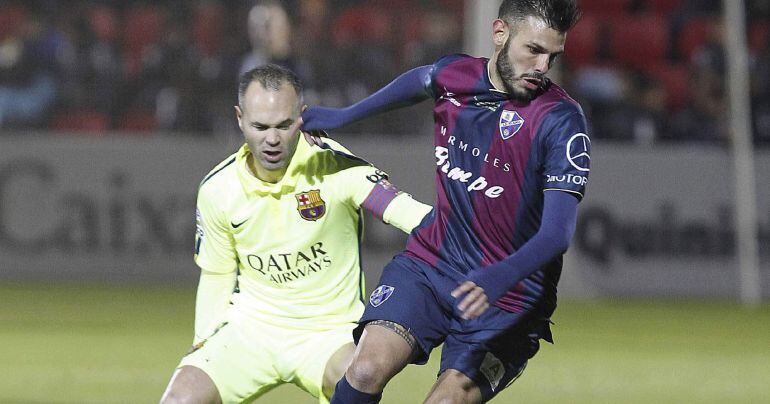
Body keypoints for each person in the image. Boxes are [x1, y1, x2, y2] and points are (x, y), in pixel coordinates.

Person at [301, 1, 589, 402]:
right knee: (364, 369)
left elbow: (557, 233)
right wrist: (343, 116)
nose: (542, 66)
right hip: (433, 264)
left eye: (552, 56)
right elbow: (420, 81)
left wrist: (498, 277)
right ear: (500, 33)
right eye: (534, 50)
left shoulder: (561, 120)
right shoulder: (457, 75)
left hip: (510, 298)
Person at [160, 64, 432, 404]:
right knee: (180, 400)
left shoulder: (335, 166)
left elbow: (411, 215)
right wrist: (203, 342)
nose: (272, 138)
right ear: (239, 118)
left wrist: (484, 237)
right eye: (260, 126)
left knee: (360, 377)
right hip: (249, 330)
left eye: (283, 125)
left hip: (328, 334)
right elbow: (217, 273)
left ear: (302, 117)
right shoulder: (218, 189)